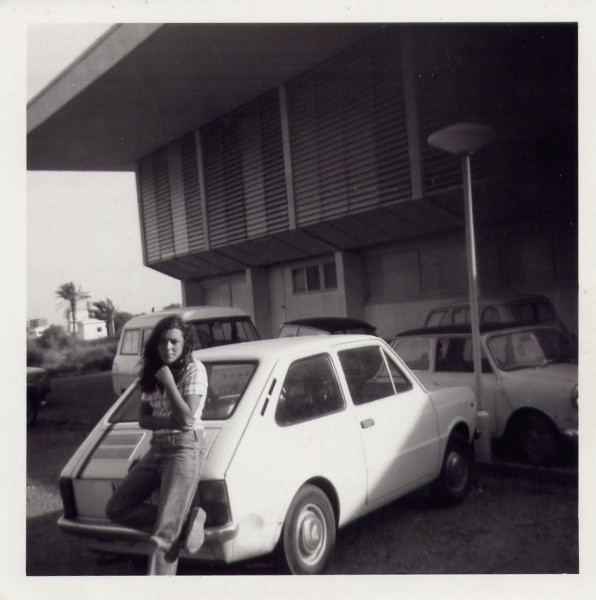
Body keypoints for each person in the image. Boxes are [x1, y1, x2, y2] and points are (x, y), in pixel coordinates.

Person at [106, 315, 208, 575]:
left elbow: (186, 418)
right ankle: (184, 523)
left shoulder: (195, 369)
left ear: (185, 344)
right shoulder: (153, 371)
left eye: (174, 342)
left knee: (164, 536)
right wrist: (170, 420)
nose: (168, 347)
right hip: (158, 447)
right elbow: (143, 419)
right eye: (162, 342)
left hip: (185, 448)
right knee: (117, 508)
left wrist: (169, 382)